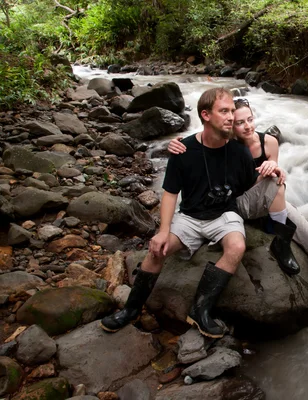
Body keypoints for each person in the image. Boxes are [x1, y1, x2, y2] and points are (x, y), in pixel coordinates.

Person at [100, 87, 293, 339]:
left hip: (226, 214)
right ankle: (131, 309)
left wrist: (272, 170)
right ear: (205, 115)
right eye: (224, 111)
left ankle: (200, 309)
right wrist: (163, 231)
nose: (231, 117)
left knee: (236, 247)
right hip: (190, 217)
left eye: (232, 111)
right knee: (158, 249)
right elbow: (169, 194)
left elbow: (249, 184)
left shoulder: (238, 152)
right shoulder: (184, 150)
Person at [168, 97, 308, 307]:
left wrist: (275, 169)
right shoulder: (227, 144)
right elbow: (200, 143)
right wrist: (175, 143)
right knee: (273, 182)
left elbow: (275, 181)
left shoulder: (269, 142)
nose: (247, 126)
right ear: (231, 124)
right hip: (238, 205)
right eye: (240, 122)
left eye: (250, 119)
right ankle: (280, 241)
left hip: (269, 200)